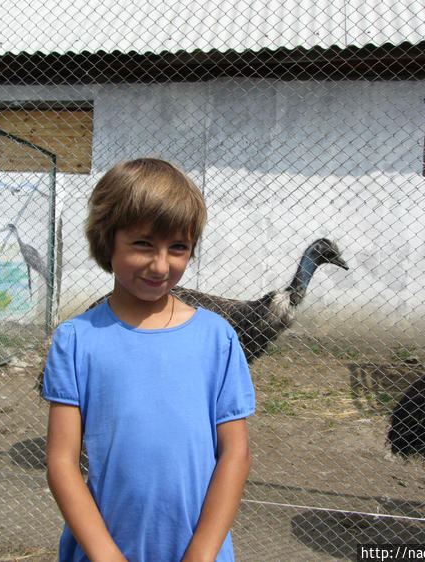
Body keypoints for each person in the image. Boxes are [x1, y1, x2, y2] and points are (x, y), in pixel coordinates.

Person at [43, 158, 256, 561]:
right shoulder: (76, 341)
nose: (161, 265)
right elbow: (61, 462)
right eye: (143, 244)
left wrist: (202, 553)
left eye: (178, 247)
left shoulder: (217, 338)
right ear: (108, 241)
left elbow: (236, 454)